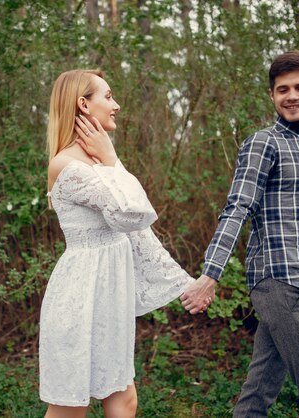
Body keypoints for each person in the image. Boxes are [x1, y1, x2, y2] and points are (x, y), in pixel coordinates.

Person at [180, 51, 299, 417]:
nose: (292, 96)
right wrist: (211, 274)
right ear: (272, 95)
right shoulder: (263, 142)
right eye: (282, 89)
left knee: (258, 394)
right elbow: (238, 207)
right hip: (277, 281)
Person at [40, 69, 200, 418]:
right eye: (108, 96)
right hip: (80, 298)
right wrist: (112, 160)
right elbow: (133, 213)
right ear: (83, 104)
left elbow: (137, 231)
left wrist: (184, 281)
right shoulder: (67, 167)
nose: (117, 105)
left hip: (109, 298)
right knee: (69, 409)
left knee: (123, 401)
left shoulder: (101, 164)